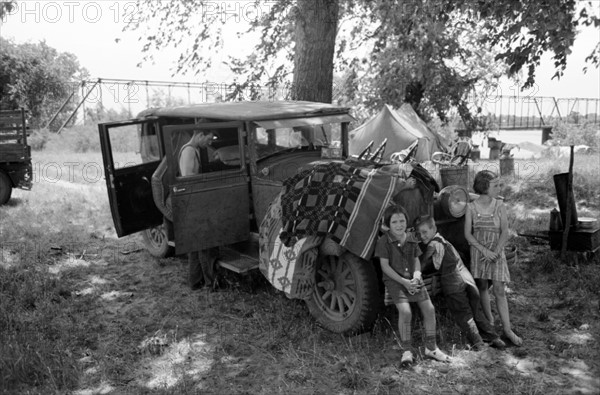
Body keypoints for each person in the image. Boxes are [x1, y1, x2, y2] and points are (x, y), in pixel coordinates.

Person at [375, 205, 452, 366]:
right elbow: (385, 267)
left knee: (429, 309)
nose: (399, 225)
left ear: (406, 221)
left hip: (413, 278)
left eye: (402, 220)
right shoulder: (384, 241)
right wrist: (404, 282)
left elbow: (416, 259)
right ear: (388, 224)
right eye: (394, 221)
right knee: (405, 311)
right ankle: (407, 351)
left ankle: (431, 348)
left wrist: (417, 276)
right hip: (395, 280)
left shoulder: (410, 237)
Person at [414, 215, 506, 350]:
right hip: (466, 278)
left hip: (453, 282)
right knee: (476, 310)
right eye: (419, 233)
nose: (422, 236)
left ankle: (478, 342)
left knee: (463, 313)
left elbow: (423, 264)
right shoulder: (444, 241)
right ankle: (494, 337)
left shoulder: (433, 245)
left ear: (433, 228)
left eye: (424, 232)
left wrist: (415, 272)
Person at [464, 170, 523, 346]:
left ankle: (507, 329)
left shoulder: (500, 205)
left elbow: (504, 232)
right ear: (484, 187)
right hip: (479, 252)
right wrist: (485, 251)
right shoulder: (471, 207)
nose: (499, 188)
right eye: (495, 185)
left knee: (499, 289)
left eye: (499, 184)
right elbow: (468, 235)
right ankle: (489, 322)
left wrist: (496, 252)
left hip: (497, 251)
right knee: (482, 286)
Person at [178, 129, 218, 290]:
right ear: (200, 134)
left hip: (193, 201)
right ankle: (211, 282)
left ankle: (195, 282)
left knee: (195, 246)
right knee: (205, 243)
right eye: (208, 139)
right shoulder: (188, 151)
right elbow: (188, 180)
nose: (209, 143)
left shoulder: (193, 150)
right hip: (193, 201)